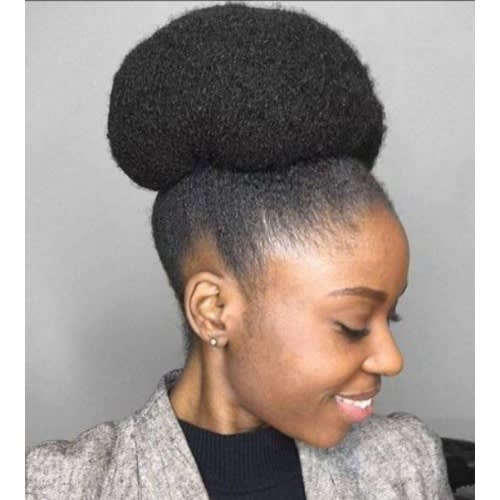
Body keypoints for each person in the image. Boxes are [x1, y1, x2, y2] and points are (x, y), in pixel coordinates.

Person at [26, 2, 454, 499]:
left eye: (389, 318)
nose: (391, 359)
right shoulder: (61, 486)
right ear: (213, 310)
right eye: (353, 324)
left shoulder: (406, 462)